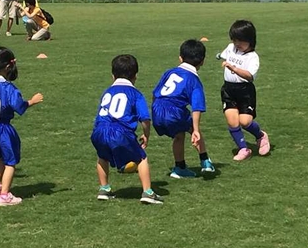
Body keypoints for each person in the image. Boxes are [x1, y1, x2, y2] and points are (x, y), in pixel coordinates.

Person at [90, 54, 163, 204]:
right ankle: (148, 192)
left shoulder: (107, 92)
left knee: (102, 156)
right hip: (120, 132)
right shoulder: (135, 94)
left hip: (99, 130)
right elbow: (145, 119)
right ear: (135, 75)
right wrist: (146, 135)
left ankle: (104, 189)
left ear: (112, 76)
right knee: (141, 157)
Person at [0, 47, 43, 206]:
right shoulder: (8, 87)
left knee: (1, 157)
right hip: (2, 128)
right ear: (8, 67)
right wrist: (32, 101)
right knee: (11, 161)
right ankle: (5, 195)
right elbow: (18, 106)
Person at [152, 39, 215, 178]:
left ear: (180, 58)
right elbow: (197, 107)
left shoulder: (169, 72)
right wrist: (196, 129)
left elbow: (155, 93)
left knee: (179, 135)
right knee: (192, 130)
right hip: (174, 111)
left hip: (157, 107)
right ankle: (205, 162)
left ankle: (180, 167)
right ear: (202, 61)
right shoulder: (194, 81)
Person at [219, 20, 270, 160]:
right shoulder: (231, 47)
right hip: (228, 89)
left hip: (245, 91)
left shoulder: (253, 57)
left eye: (240, 41)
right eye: (234, 40)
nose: (236, 43)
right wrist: (219, 56)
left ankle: (261, 136)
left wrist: (234, 68)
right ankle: (243, 149)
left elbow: (250, 76)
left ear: (250, 40)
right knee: (232, 121)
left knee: (245, 122)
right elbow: (223, 55)